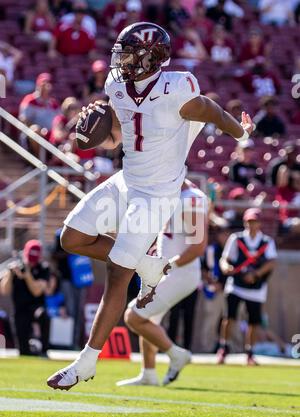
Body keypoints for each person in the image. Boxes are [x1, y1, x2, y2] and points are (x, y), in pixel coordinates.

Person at [46, 21, 254, 391]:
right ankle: (148, 265)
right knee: (71, 237)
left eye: (128, 54)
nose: (121, 60)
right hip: (127, 180)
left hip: (156, 193)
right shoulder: (116, 86)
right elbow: (115, 139)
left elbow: (208, 109)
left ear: (150, 58)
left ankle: (85, 362)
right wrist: (87, 136)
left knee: (117, 275)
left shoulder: (178, 87)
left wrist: (240, 132)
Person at [117, 179, 208, 386]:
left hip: (180, 273)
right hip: (171, 271)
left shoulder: (191, 198)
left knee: (134, 316)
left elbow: (198, 246)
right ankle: (148, 374)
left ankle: (176, 354)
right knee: (150, 320)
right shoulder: (174, 195)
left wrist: (168, 267)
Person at [218, 208, 277, 365]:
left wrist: (256, 274)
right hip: (235, 285)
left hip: (256, 288)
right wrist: (225, 268)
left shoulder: (267, 241)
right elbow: (225, 259)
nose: (252, 224)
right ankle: (224, 348)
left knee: (253, 322)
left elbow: (271, 262)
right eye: (249, 221)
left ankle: (250, 352)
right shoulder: (236, 238)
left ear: (260, 223)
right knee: (229, 317)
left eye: (255, 221)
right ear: (245, 222)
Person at [0, 240, 50, 356]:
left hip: (36, 307)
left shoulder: (44, 268)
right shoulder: (16, 267)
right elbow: (4, 291)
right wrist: (10, 274)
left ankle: (44, 350)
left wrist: (27, 276)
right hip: (19, 309)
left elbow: (37, 292)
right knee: (23, 352)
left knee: (43, 315)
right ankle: (30, 349)